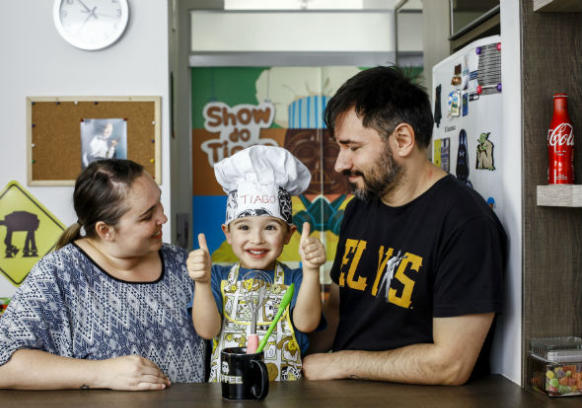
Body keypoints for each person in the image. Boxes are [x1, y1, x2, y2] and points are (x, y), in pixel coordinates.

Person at [302, 66, 507, 386]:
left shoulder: (466, 224)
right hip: (347, 401)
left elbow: (451, 365)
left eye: (353, 148)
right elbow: (339, 313)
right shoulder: (360, 206)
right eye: (339, 148)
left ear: (402, 139)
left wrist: (341, 363)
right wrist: (283, 352)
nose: (341, 164)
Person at [0, 159, 205, 390]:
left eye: (159, 202)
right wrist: (102, 373)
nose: (163, 218)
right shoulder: (60, 272)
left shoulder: (182, 264)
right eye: (147, 216)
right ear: (105, 230)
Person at [187, 145, 327, 382]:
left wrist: (312, 270)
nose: (257, 239)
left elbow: (307, 323)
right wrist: (201, 282)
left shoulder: (297, 279)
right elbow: (207, 330)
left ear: (288, 235)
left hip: (287, 399)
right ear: (227, 233)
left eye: (270, 227)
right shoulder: (217, 278)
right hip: (228, 398)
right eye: (244, 227)